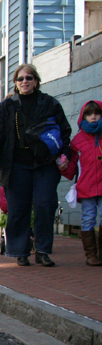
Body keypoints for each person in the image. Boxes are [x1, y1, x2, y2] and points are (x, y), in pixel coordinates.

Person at [0, 63, 72, 267]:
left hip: (45, 164)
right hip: (16, 165)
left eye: (29, 78)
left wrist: (64, 154)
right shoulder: (6, 107)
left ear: (36, 81)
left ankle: (42, 251)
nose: (25, 82)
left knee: (44, 206)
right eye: (20, 79)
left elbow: (64, 133)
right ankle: (20, 251)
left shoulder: (49, 103)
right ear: (15, 83)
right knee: (18, 209)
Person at [58, 100, 102, 266]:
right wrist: (63, 167)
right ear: (83, 116)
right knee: (88, 218)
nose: (93, 117)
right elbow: (72, 166)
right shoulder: (78, 141)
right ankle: (91, 255)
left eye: (97, 113)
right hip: (87, 186)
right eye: (89, 114)